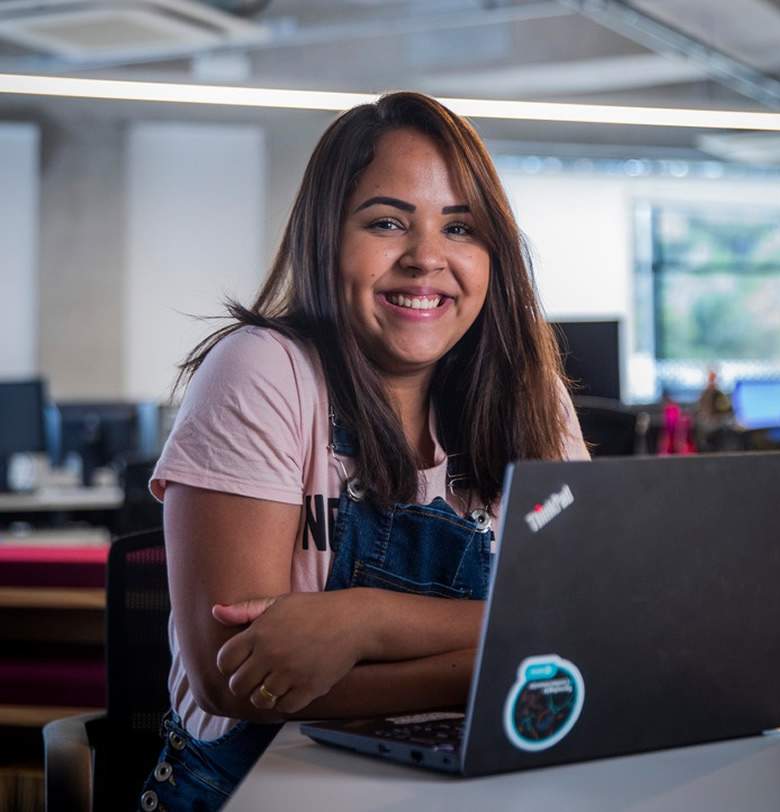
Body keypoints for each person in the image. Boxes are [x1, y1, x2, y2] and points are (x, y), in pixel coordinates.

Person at [139, 91, 589, 812]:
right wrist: (505, 659)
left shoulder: (532, 395)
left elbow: (581, 625)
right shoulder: (264, 369)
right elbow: (236, 678)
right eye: (387, 222)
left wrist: (361, 621)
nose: (426, 259)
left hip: (470, 780)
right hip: (258, 788)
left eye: (461, 228)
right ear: (326, 236)